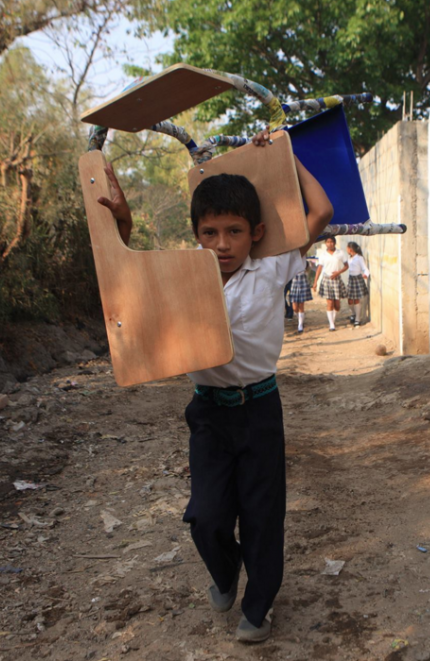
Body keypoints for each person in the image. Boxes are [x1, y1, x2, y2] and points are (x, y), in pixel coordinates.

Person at [96, 129, 333, 644]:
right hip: (207, 414)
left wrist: (283, 154)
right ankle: (224, 573)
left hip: (260, 410)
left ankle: (258, 606)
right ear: (196, 235)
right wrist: (123, 220)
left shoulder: (270, 269)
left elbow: (320, 212)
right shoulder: (182, 277)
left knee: (263, 516)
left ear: (256, 232)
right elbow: (130, 274)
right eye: (209, 233)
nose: (222, 244)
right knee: (206, 515)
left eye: (234, 231)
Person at [313, 236, 348, 331]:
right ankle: (331, 324)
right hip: (327, 279)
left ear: (334, 243)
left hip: (336, 279)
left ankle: (333, 319)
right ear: (325, 243)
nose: (330, 243)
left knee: (337, 305)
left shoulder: (340, 253)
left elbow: (346, 266)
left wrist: (338, 272)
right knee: (330, 302)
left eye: (331, 241)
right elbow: (319, 268)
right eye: (327, 242)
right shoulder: (323, 255)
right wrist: (315, 282)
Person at [345, 241, 370, 326]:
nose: (346, 249)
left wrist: (366, 275)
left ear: (350, 249)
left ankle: (357, 319)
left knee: (356, 300)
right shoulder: (349, 259)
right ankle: (353, 313)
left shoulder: (359, 258)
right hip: (351, 280)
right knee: (349, 300)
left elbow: (365, 269)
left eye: (347, 248)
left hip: (357, 279)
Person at [288, 260, 313, 333]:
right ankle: (299, 318)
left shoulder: (305, 261)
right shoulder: (292, 260)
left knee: (301, 304)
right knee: (295, 307)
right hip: (294, 282)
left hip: (303, 281)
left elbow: (309, 269)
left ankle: (300, 325)